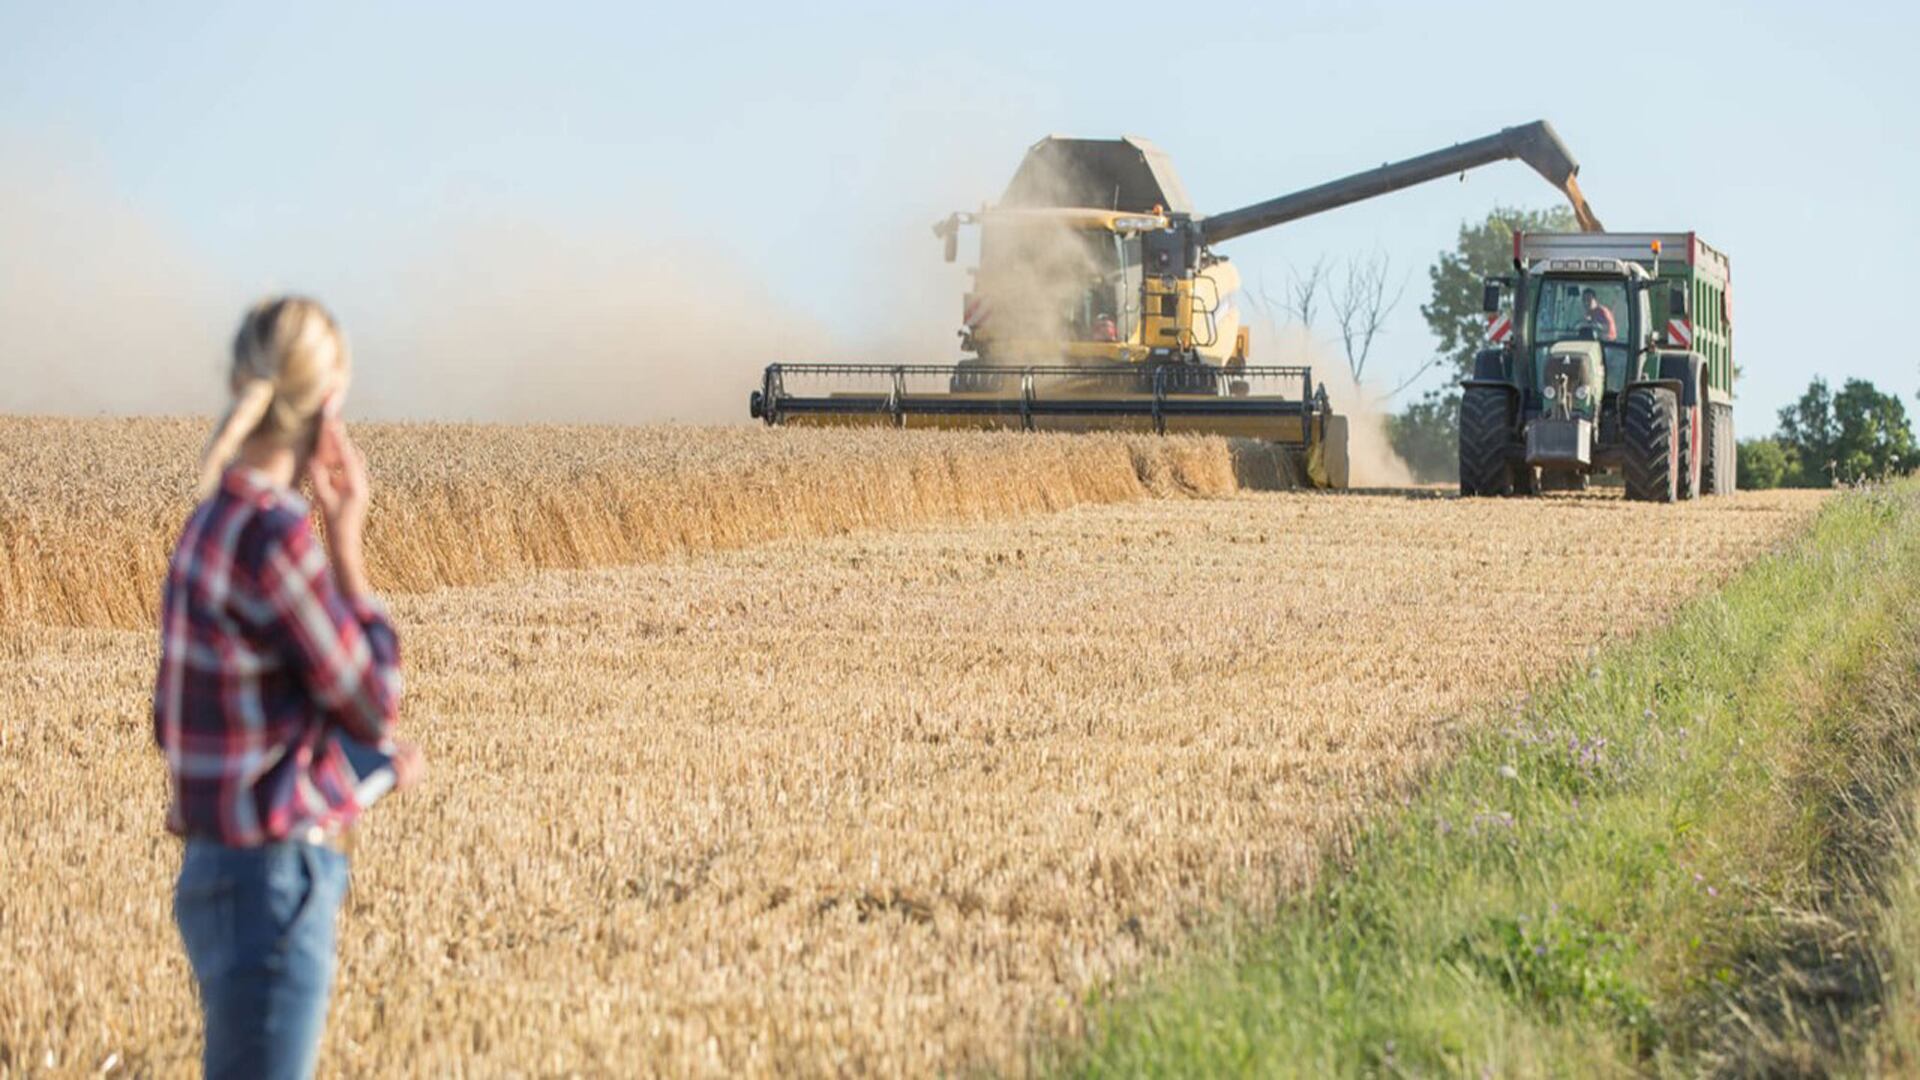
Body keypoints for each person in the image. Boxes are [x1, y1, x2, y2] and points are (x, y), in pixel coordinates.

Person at [155, 296, 421, 1079]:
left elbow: (196, 728)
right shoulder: (277, 536)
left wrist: (359, 772)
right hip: (272, 889)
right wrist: (347, 544)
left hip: (209, 875)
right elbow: (373, 701)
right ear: (328, 405)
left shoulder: (206, 527)